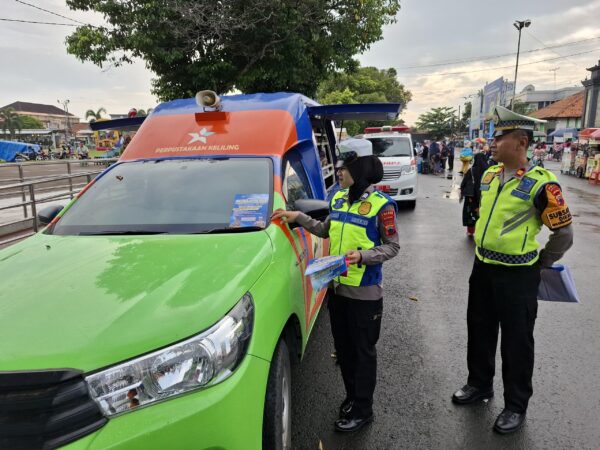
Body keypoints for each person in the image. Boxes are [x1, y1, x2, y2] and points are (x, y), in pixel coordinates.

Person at [452, 106, 574, 434]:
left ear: (520, 142)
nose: (492, 143)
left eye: (499, 137)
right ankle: (479, 384)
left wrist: (541, 264)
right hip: (483, 267)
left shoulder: (542, 185)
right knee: (479, 328)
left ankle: (516, 405)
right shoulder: (490, 175)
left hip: (519, 274)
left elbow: (564, 234)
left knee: (517, 342)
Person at [271, 138, 399, 433]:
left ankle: (363, 409)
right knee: (344, 351)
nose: (338, 172)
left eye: (344, 167)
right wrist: (298, 217)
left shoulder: (382, 206)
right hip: (337, 290)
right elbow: (324, 228)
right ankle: (352, 398)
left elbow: (393, 246)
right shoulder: (339, 200)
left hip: (365, 295)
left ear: (362, 168)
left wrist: (364, 256)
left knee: (362, 353)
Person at [460, 152, 491, 236]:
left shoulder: (471, 170)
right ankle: (481, 231)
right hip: (484, 196)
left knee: (471, 213)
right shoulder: (489, 171)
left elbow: (464, 183)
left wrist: (462, 192)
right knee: (483, 213)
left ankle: (470, 231)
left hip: (472, 196)